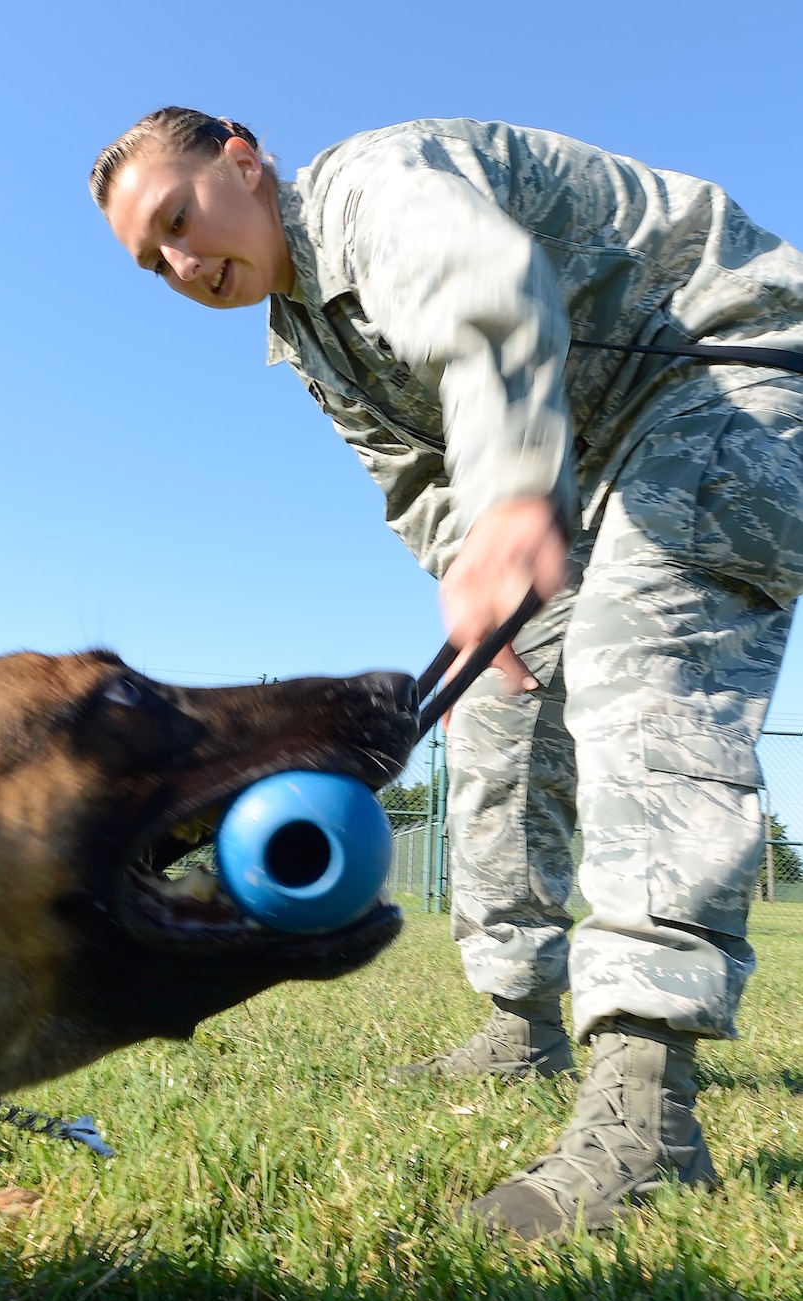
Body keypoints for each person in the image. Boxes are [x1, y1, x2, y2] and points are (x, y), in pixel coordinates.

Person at [90, 108, 803, 1240]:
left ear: (241, 157)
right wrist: (473, 579)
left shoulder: (374, 186)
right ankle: (517, 1023)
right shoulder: (303, 337)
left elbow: (484, 289)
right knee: (490, 713)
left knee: (638, 656)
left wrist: (512, 497)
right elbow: (415, 477)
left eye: (177, 219)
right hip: (577, 457)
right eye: (151, 259)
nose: (178, 264)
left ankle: (645, 1114)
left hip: (725, 368)